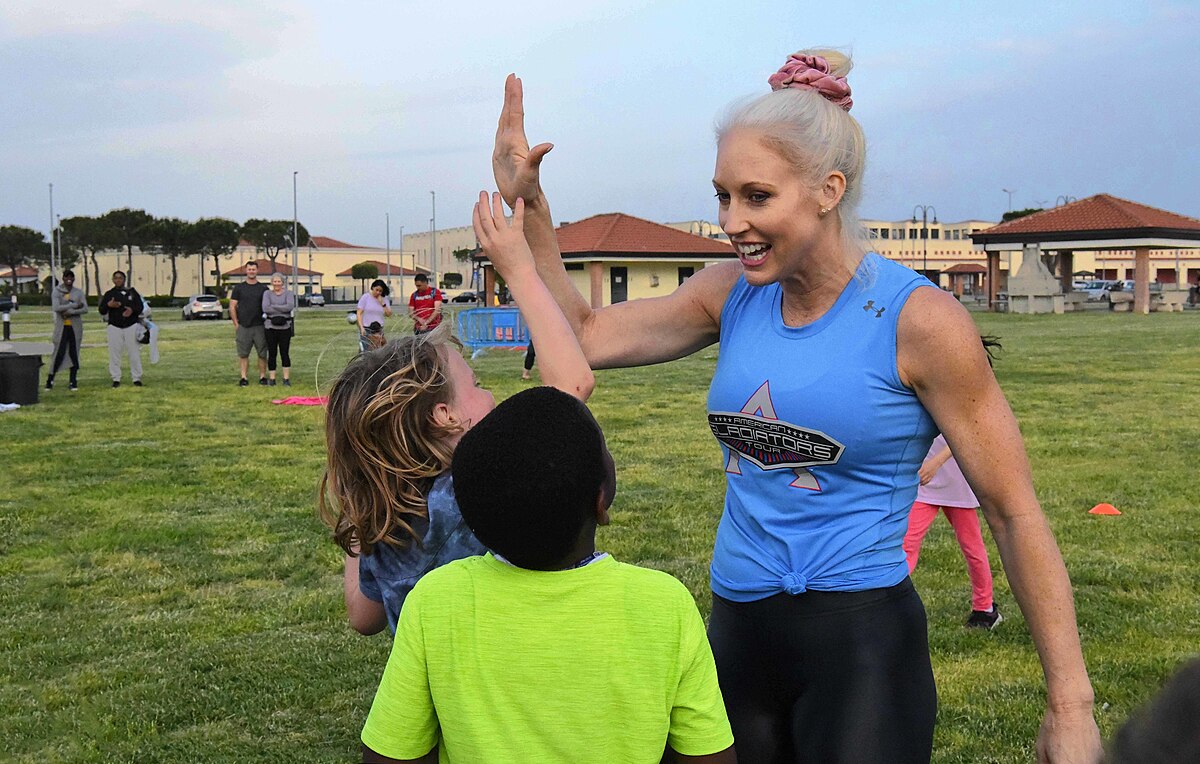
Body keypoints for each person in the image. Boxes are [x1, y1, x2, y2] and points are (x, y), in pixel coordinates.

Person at [492, 55, 1101, 763]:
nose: (731, 222)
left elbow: (1012, 510)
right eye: (722, 196)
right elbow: (585, 335)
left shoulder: (920, 323)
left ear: (826, 191)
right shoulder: (731, 293)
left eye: (756, 197)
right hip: (736, 633)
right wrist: (531, 206)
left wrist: (1070, 703)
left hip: (861, 645)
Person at [360, 387, 736, 764]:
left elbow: (390, 754)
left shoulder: (436, 601)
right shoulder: (664, 605)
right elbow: (708, 755)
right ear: (601, 503)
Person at [320, 191, 595, 636]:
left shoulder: (390, 519)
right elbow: (572, 387)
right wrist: (521, 271)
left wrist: (358, 501)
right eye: (477, 386)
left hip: (448, 703)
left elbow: (363, 616)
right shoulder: (472, 492)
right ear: (446, 416)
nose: (489, 395)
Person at [98, 270, 145, 388]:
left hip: (131, 326)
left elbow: (140, 307)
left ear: (124, 279)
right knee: (114, 353)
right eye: (116, 278)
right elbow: (102, 310)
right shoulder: (109, 294)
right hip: (114, 326)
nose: (118, 280)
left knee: (134, 352)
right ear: (113, 280)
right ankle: (116, 378)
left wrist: (132, 310)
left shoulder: (132, 292)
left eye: (120, 278)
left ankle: (136, 378)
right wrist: (109, 305)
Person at [230, 261, 270, 386]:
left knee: (262, 353)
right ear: (246, 271)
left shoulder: (264, 289)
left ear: (257, 271)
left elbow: (269, 306)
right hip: (244, 326)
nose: (251, 271)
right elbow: (232, 306)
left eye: (253, 269)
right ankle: (244, 377)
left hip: (260, 326)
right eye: (249, 269)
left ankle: (263, 377)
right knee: (243, 354)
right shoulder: (239, 288)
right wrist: (236, 323)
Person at [46, 270, 87, 391]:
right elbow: (56, 307)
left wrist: (71, 312)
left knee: (74, 353)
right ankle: (50, 379)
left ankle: (73, 380)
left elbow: (84, 308)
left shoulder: (78, 292)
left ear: (73, 279)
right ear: (63, 278)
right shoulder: (57, 291)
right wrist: (74, 305)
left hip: (75, 328)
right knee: (59, 352)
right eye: (66, 277)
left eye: (71, 277)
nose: (69, 279)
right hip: (61, 327)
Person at [261, 273, 295, 386]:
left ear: (282, 282)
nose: (277, 284)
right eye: (274, 281)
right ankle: (272, 378)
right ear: (272, 282)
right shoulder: (267, 293)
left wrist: (273, 307)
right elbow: (265, 308)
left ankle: (286, 378)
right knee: (272, 352)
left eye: (279, 281)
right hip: (270, 326)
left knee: (284, 352)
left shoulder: (289, 294)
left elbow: (290, 306)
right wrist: (281, 308)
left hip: (285, 327)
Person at [356, 279, 392, 352]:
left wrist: (382, 303)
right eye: (377, 290)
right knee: (366, 350)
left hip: (378, 329)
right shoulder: (365, 297)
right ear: (372, 288)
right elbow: (359, 313)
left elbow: (389, 314)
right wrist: (361, 327)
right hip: (367, 328)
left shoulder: (384, 299)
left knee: (379, 350)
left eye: (380, 291)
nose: (378, 292)